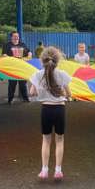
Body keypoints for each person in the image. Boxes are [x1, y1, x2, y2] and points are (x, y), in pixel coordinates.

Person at [30, 47, 72, 181]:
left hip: (46, 110)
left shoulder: (38, 75)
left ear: (42, 60)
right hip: (59, 109)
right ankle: (58, 170)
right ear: (57, 60)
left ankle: (44, 170)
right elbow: (69, 94)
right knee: (59, 140)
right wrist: (64, 95)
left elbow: (32, 92)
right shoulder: (62, 74)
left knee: (46, 140)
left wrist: (42, 91)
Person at [2, 31, 32, 105]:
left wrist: (29, 56)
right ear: (11, 37)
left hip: (21, 67)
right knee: (12, 84)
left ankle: (25, 98)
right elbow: (4, 55)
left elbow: (29, 52)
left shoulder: (22, 44)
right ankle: (10, 99)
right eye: (15, 36)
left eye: (17, 36)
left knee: (23, 84)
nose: (16, 38)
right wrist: (12, 59)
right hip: (12, 68)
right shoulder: (7, 45)